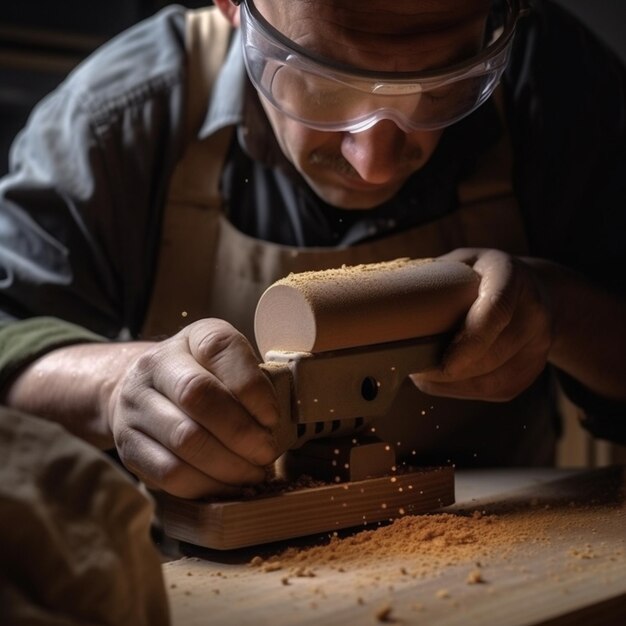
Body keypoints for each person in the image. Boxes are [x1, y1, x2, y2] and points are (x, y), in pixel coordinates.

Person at [0, 0, 625, 506]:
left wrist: (558, 309)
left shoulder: (554, 87)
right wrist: (114, 390)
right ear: (233, 6)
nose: (375, 165)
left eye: (439, 87)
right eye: (324, 85)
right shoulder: (121, 119)